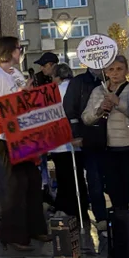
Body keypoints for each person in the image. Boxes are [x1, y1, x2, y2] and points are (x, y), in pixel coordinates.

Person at [0, 37, 49, 251]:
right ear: (10, 51)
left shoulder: (14, 73)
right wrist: (20, 96)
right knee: (16, 183)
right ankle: (13, 235)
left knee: (32, 179)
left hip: (19, 132)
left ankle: (35, 228)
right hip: (2, 134)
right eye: (19, 49)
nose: (20, 53)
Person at [82, 56, 129, 212]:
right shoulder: (98, 91)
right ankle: (121, 228)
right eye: (111, 69)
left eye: (119, 69)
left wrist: (119, 103)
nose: (115, 73)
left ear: (126, 70)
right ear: (105, 72)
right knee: (115, 192)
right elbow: (86, 118)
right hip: (107, 148)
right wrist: (100, 109)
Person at [64, 65, 107, 232]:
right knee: (94, 178)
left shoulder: (108, 79)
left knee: (109, 178)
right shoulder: (79, 82)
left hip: (111, 136)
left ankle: (117, 214)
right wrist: (75, 134)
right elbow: (70, 109)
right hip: (90, 136)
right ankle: (101, 216)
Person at [47, 65, 90, 220]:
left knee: (64, 177)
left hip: (60, 143)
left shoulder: (55, 92)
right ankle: (81, 208)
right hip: (78, 140)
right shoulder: (79, 88)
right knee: (78, 176)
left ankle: (67, 209)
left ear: (57, 77)